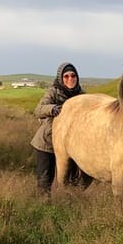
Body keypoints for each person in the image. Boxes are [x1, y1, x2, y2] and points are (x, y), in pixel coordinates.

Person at [31, 62, 84, 193]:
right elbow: (38, 110)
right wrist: (53, 109)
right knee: (45, 181)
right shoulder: (53, 92)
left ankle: (66, 205)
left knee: (69, 181)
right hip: (47, 143)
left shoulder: (82, 96)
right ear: (61, 78)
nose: (70, 79)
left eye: (73, 76)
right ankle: (44, 208)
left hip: (70, 146)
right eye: (66, 76)